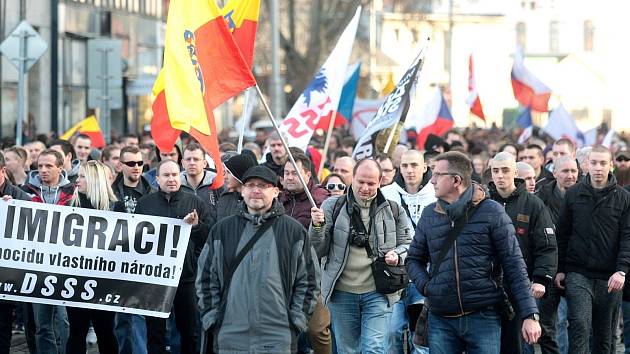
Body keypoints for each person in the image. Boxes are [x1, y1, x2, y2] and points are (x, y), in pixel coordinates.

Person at [407, 151, 541, 354]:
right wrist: (427, 286)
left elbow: (514, 264)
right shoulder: (429, 214)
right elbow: (413, 260)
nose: (431, 180)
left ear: (456, 180)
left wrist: (530, 315)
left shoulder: (492, 212)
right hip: (441, 317)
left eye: (437, 175)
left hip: (483, 317)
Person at [197, 165, 320, 353]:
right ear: (242, 190)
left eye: (263, 185)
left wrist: (296, 321)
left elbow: (309, 281)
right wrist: (212, 318)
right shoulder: (222, 230)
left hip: (277, 336)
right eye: (250, 185)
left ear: (276, 191)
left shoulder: (294, 232)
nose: (256, 190)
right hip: (231, 335)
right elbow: (206, 277)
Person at [309, 158, 411, 353]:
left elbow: (408, 244)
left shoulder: (394, 209)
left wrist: (396, 254)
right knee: (348, 349)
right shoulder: (332, 206)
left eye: (371, 183)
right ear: (352, 179)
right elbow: (317, 249)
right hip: (341, 293)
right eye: (360, 182)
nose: (365, 187)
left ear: (380, 181)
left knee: (373, 348)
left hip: (379, 291)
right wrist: (317, 226)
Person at [555, 145, 630, 354]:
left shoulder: (624, 198)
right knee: (579, 325)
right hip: (578, 273)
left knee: (604, 336)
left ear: (611, 166)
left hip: (610, 276)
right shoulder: (573, 194)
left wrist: (622, 270)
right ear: (586, 164)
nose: (598, 168)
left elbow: (627, 236)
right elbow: (562, 234)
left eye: (603, 163)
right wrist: (560, 268)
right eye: (594, 162)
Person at [135, 160, 212, 354]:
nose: (172, 179)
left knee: (189, 331)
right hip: (155, 278)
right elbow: (136, 239)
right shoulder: (145, 204)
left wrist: (195, 227)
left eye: (175, 175)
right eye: (167, 176)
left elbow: (210, 236)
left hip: (185, 277)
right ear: (157, 179)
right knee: (155, 332)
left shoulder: (194, 202)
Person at [488, 152, 557, 354]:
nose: (500, 175)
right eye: (495, 171)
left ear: (515, 172)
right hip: (486, 285)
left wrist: (541, 279)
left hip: (519, 285)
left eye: (505, 170)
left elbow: (547, 246)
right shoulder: (481, 203)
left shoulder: (533, 204)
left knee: (515, 345)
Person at [380, 149, 436, 354]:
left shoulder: (436, 192)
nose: (410, 170)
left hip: (424, 274)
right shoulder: (387, 193)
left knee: (419, 337)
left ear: (424, 167)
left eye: (414, 165)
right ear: (399, 168)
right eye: (405, 166)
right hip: (394, 275)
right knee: (392, 333)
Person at [66, 161, 122, 354]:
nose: (77, 180)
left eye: (82, 176)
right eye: (77, 176)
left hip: (105, 279)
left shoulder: (116, 207)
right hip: (76, 277)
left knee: (105, 331)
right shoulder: (70, 205)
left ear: (94, 180)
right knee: (77, 331)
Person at [22, 149, 74, 354]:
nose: (43, 170)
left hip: (65, 265)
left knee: (64, 320)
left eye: (48, 166)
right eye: (40, 166)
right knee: (42, 323)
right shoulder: (25, 192)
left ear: (60, 168)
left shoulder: (73, 192)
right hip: (36, 264)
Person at [111, 146, 154, 354]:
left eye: (140, 163)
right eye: (131, 164)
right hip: (116, 261)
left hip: (143, 261)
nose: (136, 168)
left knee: (139, 315)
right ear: (120, 165)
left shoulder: (152, 191)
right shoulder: (110, 192)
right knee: (120, 317)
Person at [535, 156, 579, 354]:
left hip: (577, 268)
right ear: (554, 173)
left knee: (579, 323)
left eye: (573, 171)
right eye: (565, 171)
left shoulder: (585, 195)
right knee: (548, 324)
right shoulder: (540, 197)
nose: (570, 175)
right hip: (549, 268)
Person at [0, 151, 32, 354]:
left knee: (2, 326)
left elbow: (32, 232)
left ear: (2, 171)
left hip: (5, 274)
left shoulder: (21, 197)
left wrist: (13, 212)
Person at [209, 153, 257, 223]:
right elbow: (216, 226)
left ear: (238, 174)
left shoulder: (256, 199)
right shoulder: (225, 197)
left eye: (228, 173)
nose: (225, 177)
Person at [180, 143, 219, 210]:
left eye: (196, 159)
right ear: (183, 163)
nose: (192, 163)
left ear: (204, 163)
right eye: (188, 159)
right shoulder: (176, 185)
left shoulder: (217, 184)